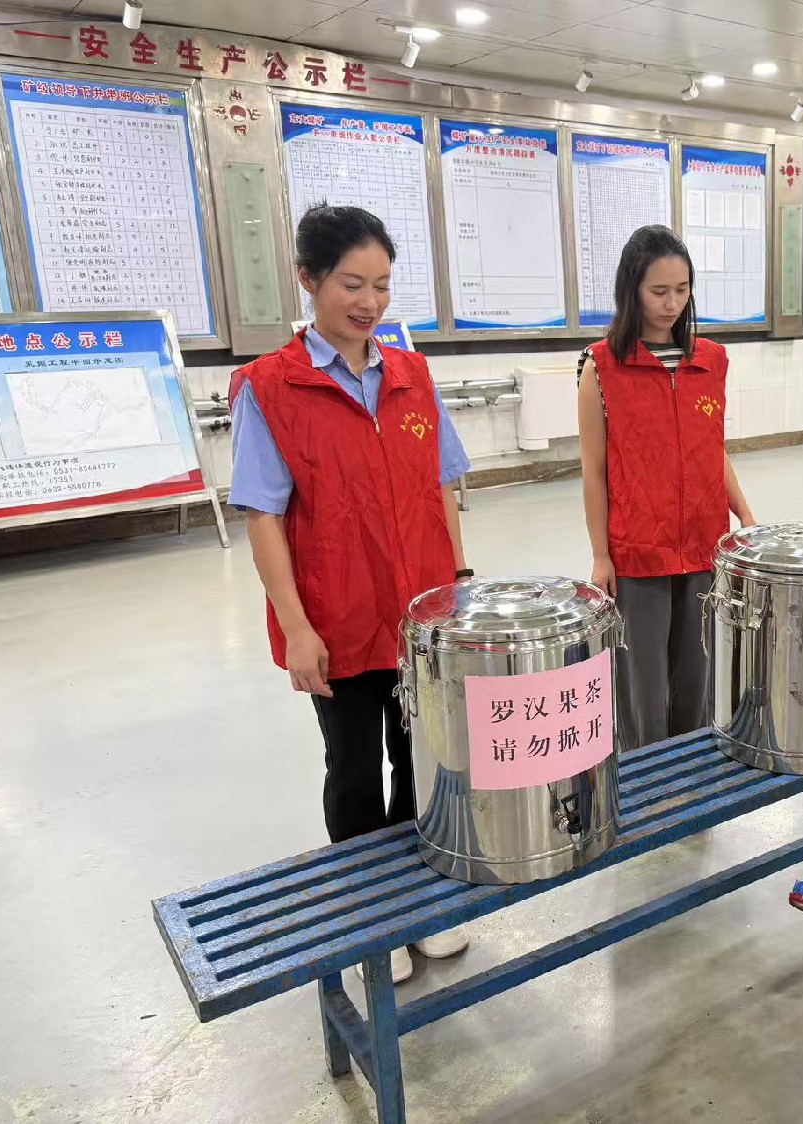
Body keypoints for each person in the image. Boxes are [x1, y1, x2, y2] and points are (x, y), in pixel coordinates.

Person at [229, 204, 473, 983]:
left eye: (381, 284)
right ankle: (370, 926)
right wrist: (297, 629)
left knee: (425, 764)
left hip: (420, 619)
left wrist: (458, 586)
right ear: (308, 280)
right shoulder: (270, 389)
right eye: (350, 283)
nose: (368, 301)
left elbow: (442, 486)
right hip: (336, 621)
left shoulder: (412, 375)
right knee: (356, 772)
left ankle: (420, 910)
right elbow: (263, 518)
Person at [577, 224, 754, 750]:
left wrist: (744, 515)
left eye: (682, 290)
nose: (672, 302)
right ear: (631, 289)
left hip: (703, 543)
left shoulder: (711, 361)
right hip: (639, 550)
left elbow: (712, 449)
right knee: (643, 686)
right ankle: (647, 786)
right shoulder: (602, 366)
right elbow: (593, 468)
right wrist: (601, 555)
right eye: (659, 291)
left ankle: (691, 778)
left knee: (697, 678)